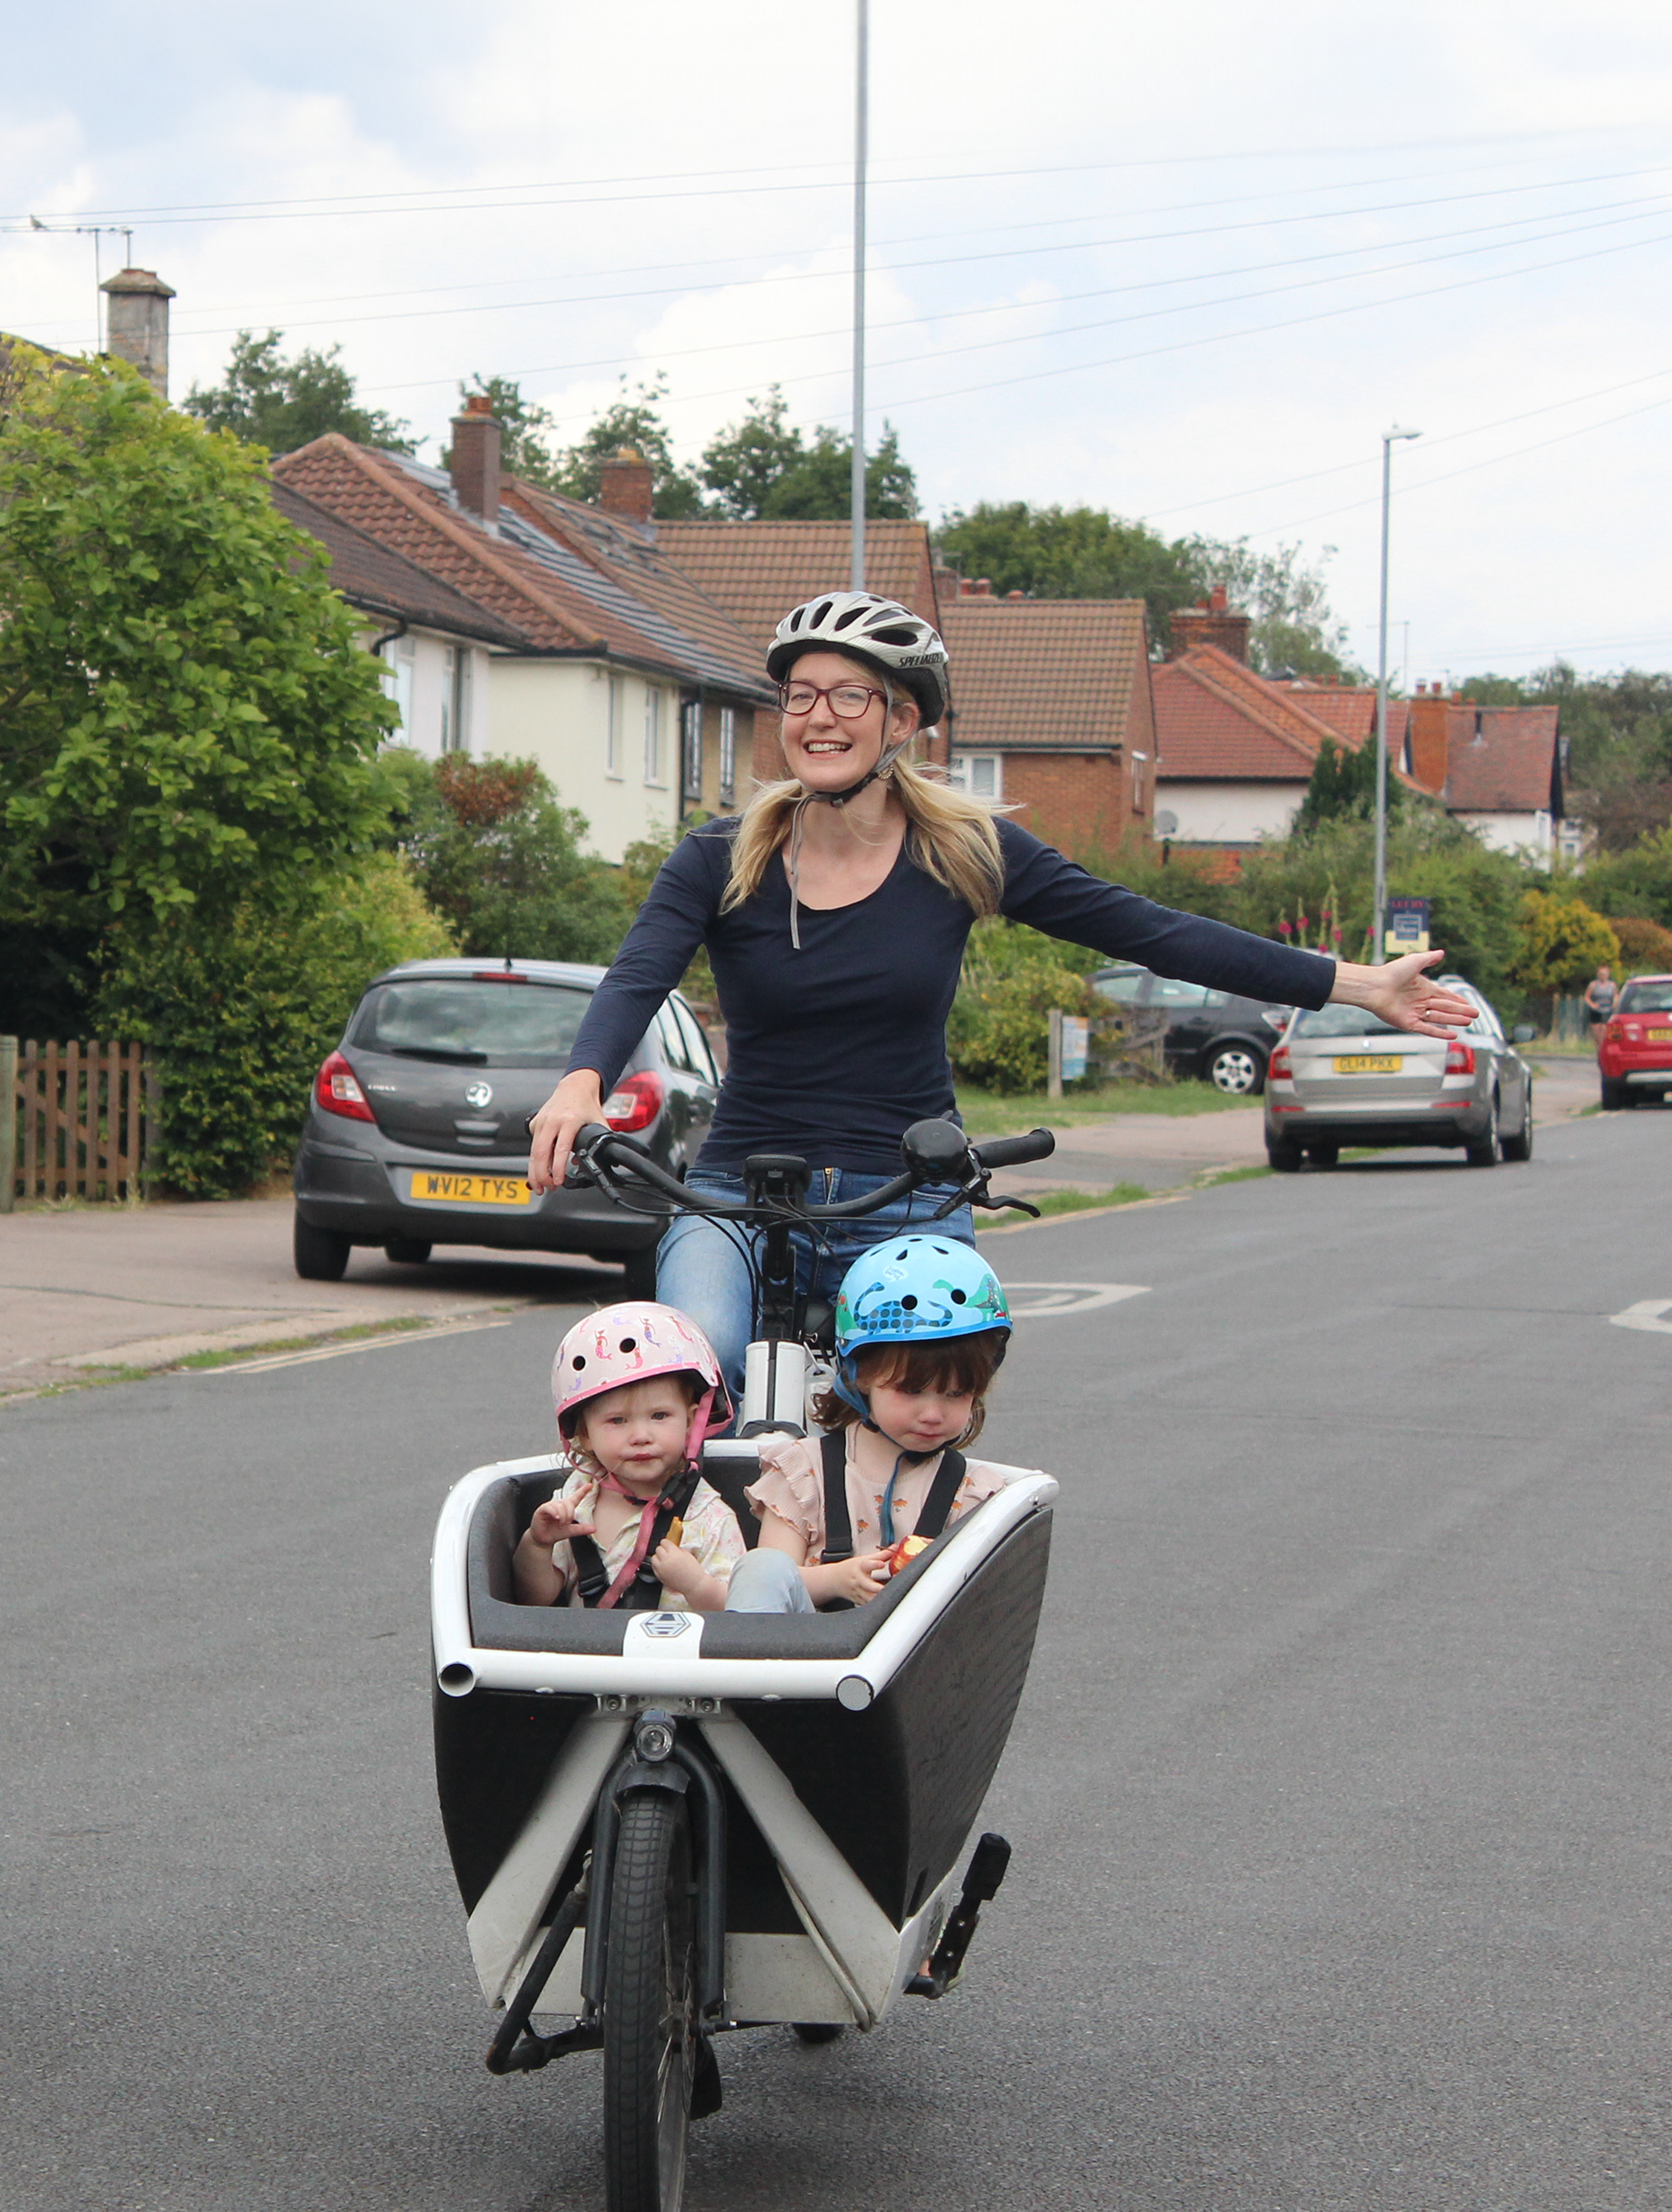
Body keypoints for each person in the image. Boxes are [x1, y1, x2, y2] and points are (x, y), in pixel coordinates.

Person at [526, 590, 1473, 1370]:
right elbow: (636, 976)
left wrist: (1353, 983)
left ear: (901, 718)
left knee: (922, 1379)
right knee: (691, 1365)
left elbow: (1151, 931)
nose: (819, 717)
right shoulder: (718, 858)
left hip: (900, 1193)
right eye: (799, 696)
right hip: (736, 1193)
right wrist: (582, 1080)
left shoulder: (961, 853)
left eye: (849, 696)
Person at [726, 1236, 1035, 1612]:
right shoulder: (804, 1473)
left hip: (918, 1661)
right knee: (761, 1565)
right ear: (861, 1376)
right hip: (801, 1660)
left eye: (956, 1394)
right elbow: (769, 1580)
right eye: (911, 1390)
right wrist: (836, 1579)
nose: (933, 1413)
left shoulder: (971, 1494)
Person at [513, 1302, 753, 1612]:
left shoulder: (708, 1518)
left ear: (691, 1421)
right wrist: (537, 1544)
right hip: (584, 1657)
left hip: (678, 1658)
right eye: (618, 1421)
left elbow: (739, 1616)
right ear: (584, 1434)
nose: (641, 1435)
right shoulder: (576, 1502)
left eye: (659, 1415)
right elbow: (535, 1599)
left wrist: (696, 1585)